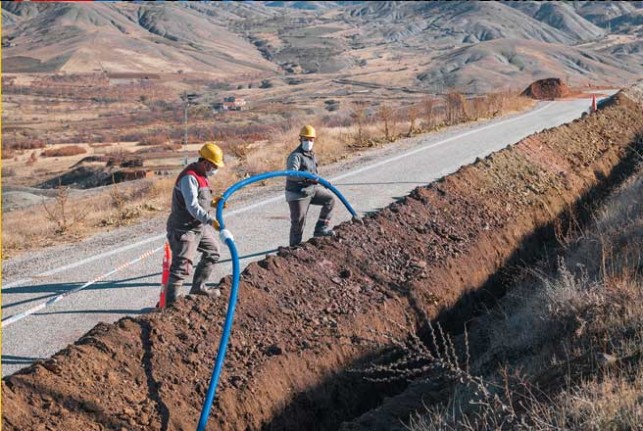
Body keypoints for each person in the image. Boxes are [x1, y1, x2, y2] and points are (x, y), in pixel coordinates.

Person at [165, 142, 225, 306]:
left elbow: (200, 199)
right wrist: (210, 220)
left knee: (213, 252)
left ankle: (198, 287)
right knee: (181, 267)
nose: (215, 169)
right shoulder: (189, 177)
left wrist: (213, 202)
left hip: (197, 226)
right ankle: (170, 305)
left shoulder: (202, 175)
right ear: (206, 163)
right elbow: (192, 206)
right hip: (184, 228)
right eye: (214, 166)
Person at [285, 125, 336, 246]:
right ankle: (294, 248)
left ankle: (321, 228)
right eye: (305, 139)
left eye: (311, 140)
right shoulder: (295, 156)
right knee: (299, 223)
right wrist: (308, 178)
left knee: (330, 200)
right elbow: (291, 174)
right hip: (297, 194)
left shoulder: (311, 154)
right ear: (300, 140)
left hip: (310, 190)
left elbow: (314, 174)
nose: (308, 142)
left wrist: (322, 181)